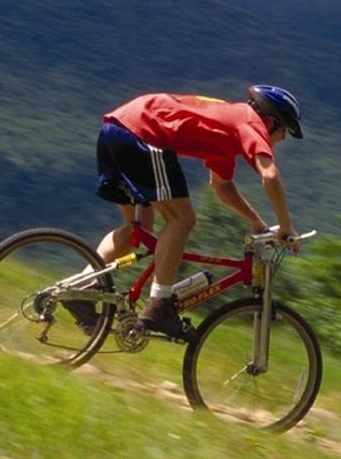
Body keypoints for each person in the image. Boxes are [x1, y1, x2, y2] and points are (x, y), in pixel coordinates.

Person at [65, 85, 304, 340]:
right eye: (284, 130)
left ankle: (82, 288)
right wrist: (286, 225)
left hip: (116, 128)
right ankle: (159, 306)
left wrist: (255, 220)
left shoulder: (229, 125)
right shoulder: (250, 122)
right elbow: (269, 175)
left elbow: (221, 186)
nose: (283, 139)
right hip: (143, 133)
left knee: (139, 229)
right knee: (182, 219)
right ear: (270, 121)